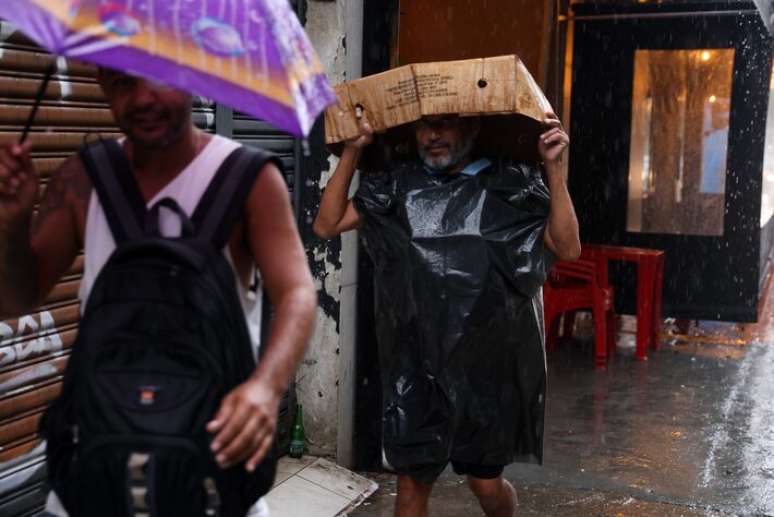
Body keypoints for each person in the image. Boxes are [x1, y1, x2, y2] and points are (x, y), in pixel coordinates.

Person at [0, 69, 317, 516]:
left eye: (157, 77)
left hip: (210, 471)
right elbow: (17, 299)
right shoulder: (83, 180)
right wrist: (12, 222)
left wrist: (267, 388)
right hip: (95, 470)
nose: (142, 97)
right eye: (122, 83)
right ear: (102, 83)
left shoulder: (247, 178)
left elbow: (297, 293)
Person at [313, 110, 580, 517]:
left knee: (486, 486)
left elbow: (567, 247)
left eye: (446, 123)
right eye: (424, 125)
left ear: (473, 127)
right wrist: (351, 152)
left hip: (485, 368)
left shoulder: (508, 184)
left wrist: (554, 171)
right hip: (415, 366)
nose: (433, 135)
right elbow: (327, 224)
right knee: (411, 487)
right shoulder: (396, 185)